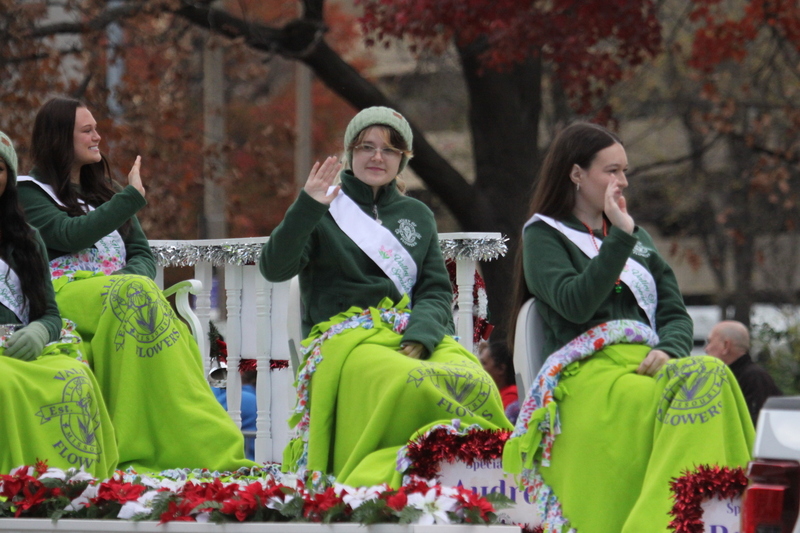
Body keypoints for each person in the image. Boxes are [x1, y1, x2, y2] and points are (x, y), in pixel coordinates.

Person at [502, 122, 755, 533]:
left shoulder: (639, 239)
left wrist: (671, 349)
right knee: (689, 392)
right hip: (586, 376)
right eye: (611, 170)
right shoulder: (544, 236)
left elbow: (674, 313)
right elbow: (575, 304)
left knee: (711, 374)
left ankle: (709, 516)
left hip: (646, 363)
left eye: (625, 171)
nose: (622, 181)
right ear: (576, 173)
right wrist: (620, 237)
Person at [260, 106, 512, 488]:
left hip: (408, 332)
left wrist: (422, 336)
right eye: (367, 146)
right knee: (403, 379)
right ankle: (388, 476)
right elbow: (274, 268)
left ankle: (482, 476)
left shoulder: (419, 214)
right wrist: (307, 207)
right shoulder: (324, 207)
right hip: (343, 336)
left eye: (390, 149)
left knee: (473, 378)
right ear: (349, 152)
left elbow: (433, 290)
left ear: (402, 160)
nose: (377, 157)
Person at [17, 97, 254, 473]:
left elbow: (141, 253)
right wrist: (130, 199)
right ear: (60, 138)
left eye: (96, 128)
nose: (98, 136)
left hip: (120, 295)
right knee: (135, 296)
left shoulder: (104, 191)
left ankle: (204, 447)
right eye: (87, 130)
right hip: (65, 294)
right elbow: (68, 234)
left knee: (142, 298)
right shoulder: (27, 192)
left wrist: (130, 281)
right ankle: (133, 446)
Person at [0, 130, 117, 477]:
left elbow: (49, 314)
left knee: (75, 376)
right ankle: (16, 485)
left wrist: (38, 330)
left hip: (19, 349)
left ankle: (73, 488)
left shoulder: (25, 237)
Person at [706, 320, 782, 425]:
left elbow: (756, 424)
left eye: (709, 342)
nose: (706, 349)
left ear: (725, 346)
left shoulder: (754, 378)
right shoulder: (727, 376)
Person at [478, 340, 519, 423]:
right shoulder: (496, 394)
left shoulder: (511, 396)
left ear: (501, 369)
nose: (478, 368)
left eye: (483, 363)